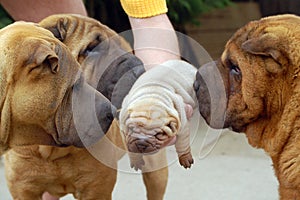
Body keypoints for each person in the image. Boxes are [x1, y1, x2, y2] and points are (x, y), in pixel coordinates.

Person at [0, 0, 180, 199]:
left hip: (89, 150)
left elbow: (149, 18)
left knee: (154, 171)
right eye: (92, 50)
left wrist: (161, 94)